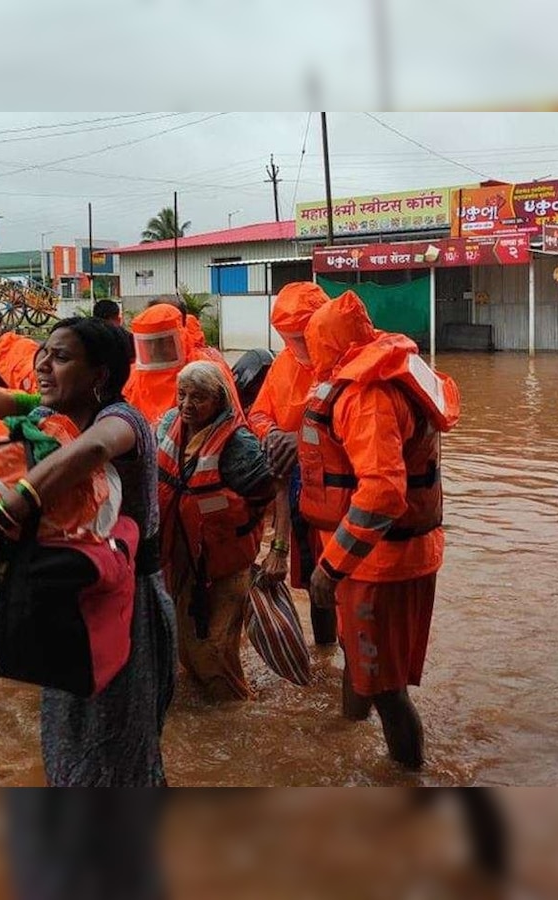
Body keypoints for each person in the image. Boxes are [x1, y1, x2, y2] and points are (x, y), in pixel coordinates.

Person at [0, 318, 175, 786]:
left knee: (118, 748)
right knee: (67, 736)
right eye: (43, 352)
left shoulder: (122, 422)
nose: (42, 363)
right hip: (70, 599)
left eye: (60, 357)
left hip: (126, 606)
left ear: (99, 375)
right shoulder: (50, 415)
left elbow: (91, 451)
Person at [298, 290, 460, 770]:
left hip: (382, 563)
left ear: (328, 345)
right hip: (383, 555)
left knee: (388, 690)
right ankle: (346, 740)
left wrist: (331, 566)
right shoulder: (381, 371)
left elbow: (383, 494)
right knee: (358, 658)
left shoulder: (367, 396)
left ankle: (407, 782)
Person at [156, 361, 278, 701]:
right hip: (180, 558)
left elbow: (275, 490)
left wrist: (278, 550)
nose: (186, 405)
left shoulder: (240, 445)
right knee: (186, 647)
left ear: (220, 400)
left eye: (198, 397)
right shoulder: (168, 424)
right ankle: (209, 713)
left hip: (225, 564)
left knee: (216, 650)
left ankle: (234, 717)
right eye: (182, 395)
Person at [246, 282, 337, 646]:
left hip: (341, 490)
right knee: (315, 577)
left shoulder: (346, 362)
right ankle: (326, 653)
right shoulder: (284, 362)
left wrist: (295, 440)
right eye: (289, 336)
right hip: (299, 489)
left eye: (302, 336)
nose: (296, 344)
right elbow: (259, 413)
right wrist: (272, 434)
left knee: (342, 580)